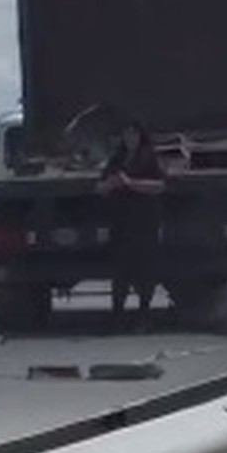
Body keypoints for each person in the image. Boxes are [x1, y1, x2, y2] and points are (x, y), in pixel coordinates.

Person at [96, 119, 165, 322]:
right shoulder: (117, 159)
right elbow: (99, 187)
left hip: (145, 220)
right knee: (120, 271)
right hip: (121, 221)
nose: (129, 138)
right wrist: (110, 184)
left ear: (140, 136)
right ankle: (117, 313)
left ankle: (144, 313)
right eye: (126, 134)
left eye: (133, 134)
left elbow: (159, 185)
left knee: (145, 269)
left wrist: (131, 183)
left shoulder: (149, 157)